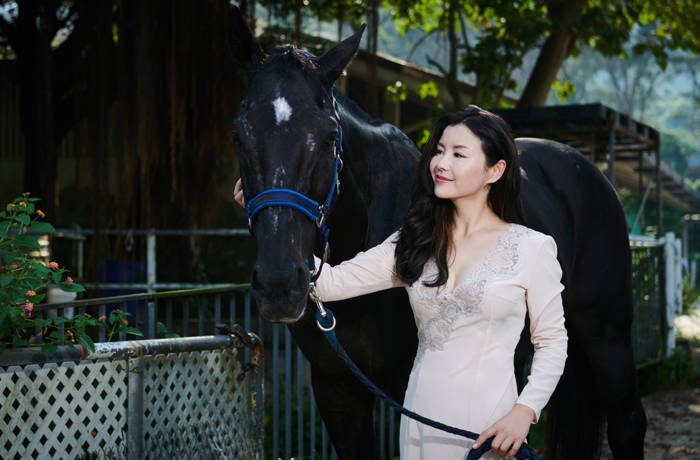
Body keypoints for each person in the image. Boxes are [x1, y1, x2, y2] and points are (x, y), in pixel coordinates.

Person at [234, 106, 567, 460]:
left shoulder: (531, 248)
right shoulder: (414, 242)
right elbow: (329, 282)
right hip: (420, 429)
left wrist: (524, 412)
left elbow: (552, 341)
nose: (441, 163)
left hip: (492, 431)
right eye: (439, 151)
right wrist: (271, 222)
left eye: (458, 154)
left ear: (494, 170)